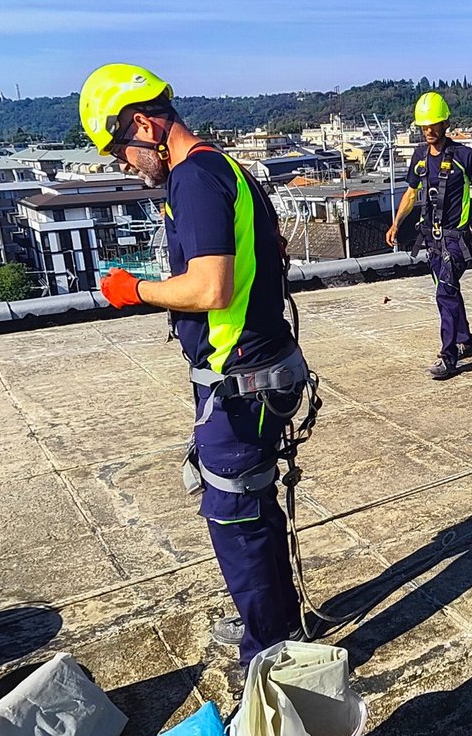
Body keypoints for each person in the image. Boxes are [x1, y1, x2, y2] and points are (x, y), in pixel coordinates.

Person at [79, 63, 311, 666]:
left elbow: (210, 288)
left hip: (242, 379)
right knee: (250, 508)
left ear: (144, 123)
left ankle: (273, 652)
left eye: (120, 150)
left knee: (235, 514)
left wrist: (138, 289)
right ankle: (274, 624)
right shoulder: (228, 169)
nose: (125, 164)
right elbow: (272, 249)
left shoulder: (195, 179)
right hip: (256, 369)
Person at [385, 91, 472, 380]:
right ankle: (465, 340)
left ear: (446, 123)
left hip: (456, 240)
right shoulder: (419, 157)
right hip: (431, 240)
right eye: (424, 126)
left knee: (444, 292)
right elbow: (411, 193)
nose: (429, 131)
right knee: (449, 291)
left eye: (434, 125)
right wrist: (396, 224)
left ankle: (449, 356)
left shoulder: (463, 156)